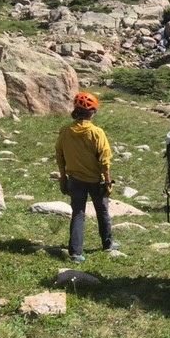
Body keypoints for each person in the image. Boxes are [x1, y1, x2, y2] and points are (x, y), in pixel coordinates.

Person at [55, 92, 118, 263]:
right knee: (103, 211)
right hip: (95, 181)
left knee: (78, 214)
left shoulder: (65, 131)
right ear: (92, 113)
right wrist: (107, 181)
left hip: (75, 179)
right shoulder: (97, 133)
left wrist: (63, 178)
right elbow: (105, 160)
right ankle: (108, 244)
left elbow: (60, 156)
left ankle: (75, 253)